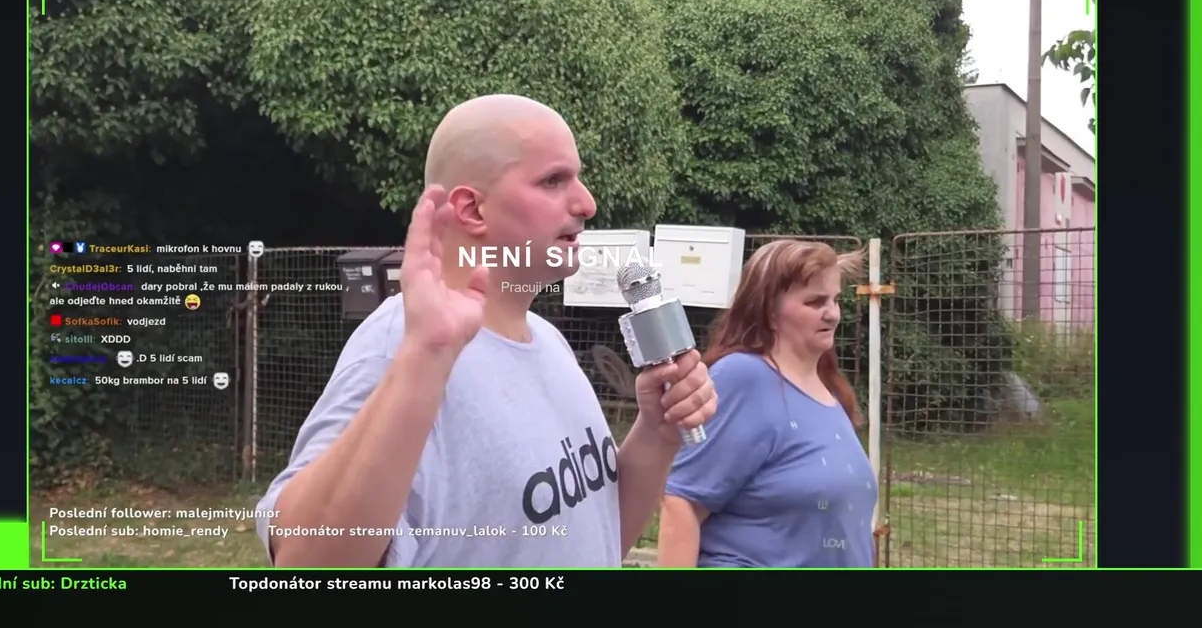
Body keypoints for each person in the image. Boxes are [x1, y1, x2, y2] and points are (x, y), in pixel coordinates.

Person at [255, 94, 717, 568]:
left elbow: (595, 540)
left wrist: (658, 431)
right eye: (553, 181)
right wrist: (425, 358)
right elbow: (306, 562)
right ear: (472, 210)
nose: (587, 203)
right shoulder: (399, 350)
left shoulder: (546, 340)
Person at [656, 239, 876, 568]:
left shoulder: (827, 389)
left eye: (835, 300)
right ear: (769, 311)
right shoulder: (743, 377)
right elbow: (681, 501)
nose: (832, 313)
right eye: (815, 302)